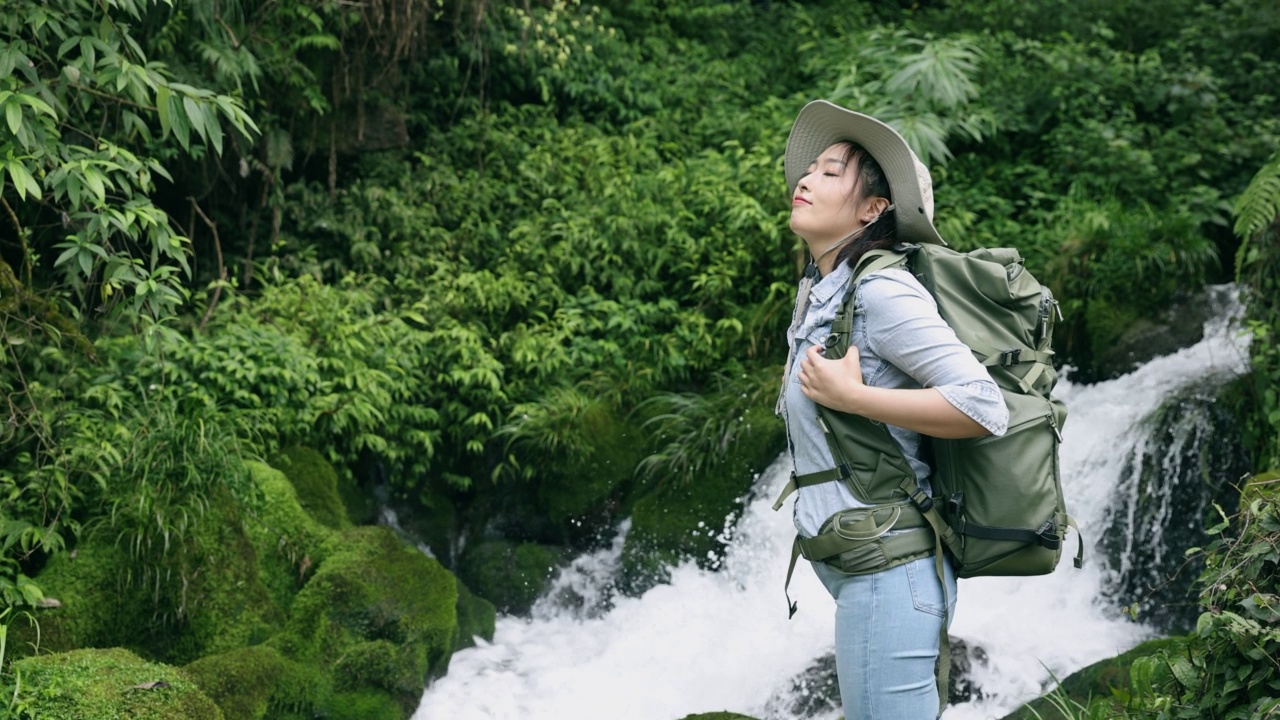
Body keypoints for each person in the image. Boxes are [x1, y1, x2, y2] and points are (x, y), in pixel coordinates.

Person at [774, 100, 1009, 719]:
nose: (805, 180)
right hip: (860, 566)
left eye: (830, 173)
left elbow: (985, 405)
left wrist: (854, 397)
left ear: (873, 209)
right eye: (810, 170)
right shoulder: (822, 292)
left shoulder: (881, 290)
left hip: (891, 574)